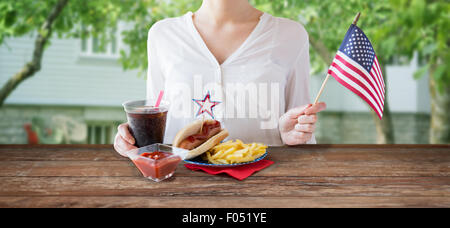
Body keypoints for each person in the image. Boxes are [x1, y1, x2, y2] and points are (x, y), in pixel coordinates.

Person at [114, 0, 326, 156]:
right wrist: (134, 139)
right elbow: (156, 118)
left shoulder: (290, 34)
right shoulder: (163, 34)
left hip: (264, 188)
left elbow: (301, 129)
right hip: (182, 187)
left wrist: (293, 137)